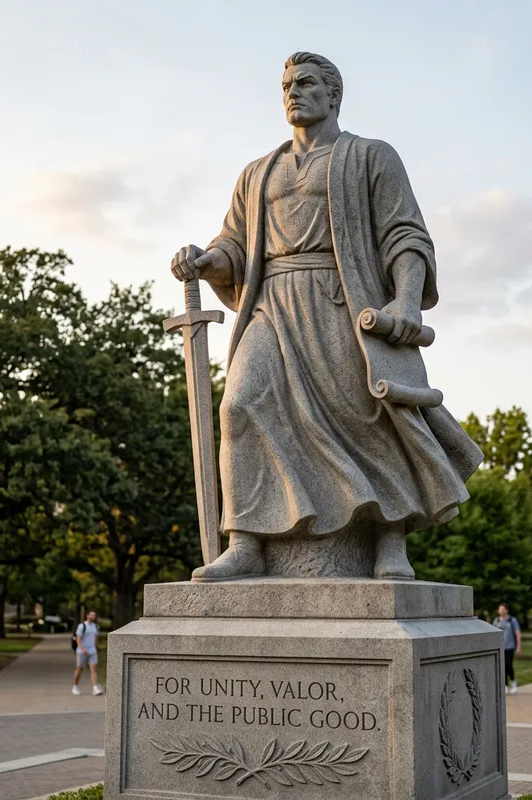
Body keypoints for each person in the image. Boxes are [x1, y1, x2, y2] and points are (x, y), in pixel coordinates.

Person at [170, 51, 482, 582]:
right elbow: (235, 245)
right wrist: (205, 260)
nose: (293, 92)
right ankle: (246, 540)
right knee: (240, 405)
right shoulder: (257, 173)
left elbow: (405, 235)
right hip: (272, 303)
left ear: (334, 95)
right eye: (286, 85)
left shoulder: (371, 156)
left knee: (368, 415)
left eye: (306, 82)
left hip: (345, 300)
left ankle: (389, 541)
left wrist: (406, 301)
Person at [72, 610, 104, 696]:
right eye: (91, 615)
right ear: (87, 615)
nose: (93, 617)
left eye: (94, 615)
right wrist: (82, 649)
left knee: (93, 669)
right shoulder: (82, 626)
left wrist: (96, 647)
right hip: (82, 651)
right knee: (80, 669)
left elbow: (95, 638)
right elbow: (78, 638)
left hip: (92, 651)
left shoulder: (96, 626)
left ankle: (95, 688)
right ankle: (75, 686)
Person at [492, 603, 522, 694]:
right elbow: (493, 633)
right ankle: (505, 685)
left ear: (507, 610)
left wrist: (518, 647)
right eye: (500, 609)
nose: (502, 611)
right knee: (502, 666)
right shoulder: (496, 621)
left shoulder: (512, 620)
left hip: (510, 647)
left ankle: (513, 682)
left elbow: (518, 633)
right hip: (500, 647)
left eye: (503, 609)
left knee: (508, 665)